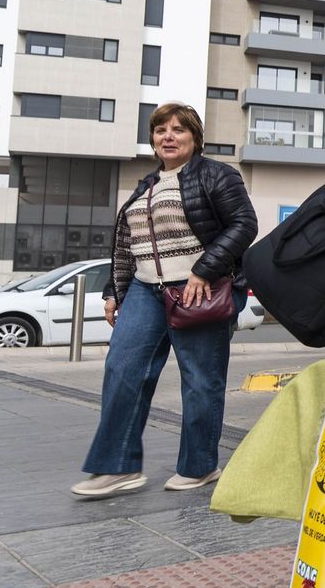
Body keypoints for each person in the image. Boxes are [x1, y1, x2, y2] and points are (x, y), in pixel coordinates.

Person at [72, 103, 257, 500]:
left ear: (195, 138)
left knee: (200, 382)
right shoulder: (146, 186)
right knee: (123, 367)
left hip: (199, 288)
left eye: (178, 129)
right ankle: (116, 467)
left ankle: (200, 465)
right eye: (160, 130)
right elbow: (131, 245)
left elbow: (245, 224)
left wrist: (204, 269)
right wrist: (113, 291)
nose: (168, 136)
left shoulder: (217, 175)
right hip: (144, 290)